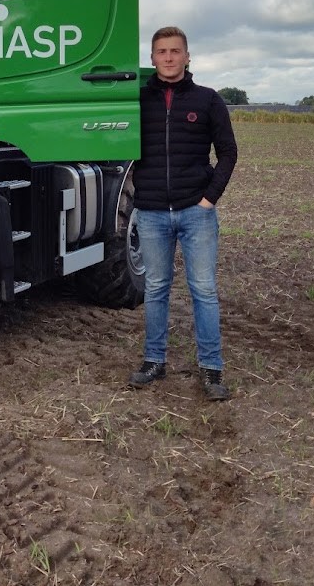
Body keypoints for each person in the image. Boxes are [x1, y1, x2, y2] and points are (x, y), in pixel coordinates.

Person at [129, 26, 238, 400]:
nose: (169, 57)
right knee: (156, 289)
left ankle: (211, 369)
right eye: (162, 51)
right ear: (153, 59)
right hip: (152, 213)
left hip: (196, 213)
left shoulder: (208, 100)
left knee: (203, 291)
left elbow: (228, 153)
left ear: (188, 56)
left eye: (176, 51)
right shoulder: (138, 102)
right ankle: (154, 361)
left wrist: (209, 200)